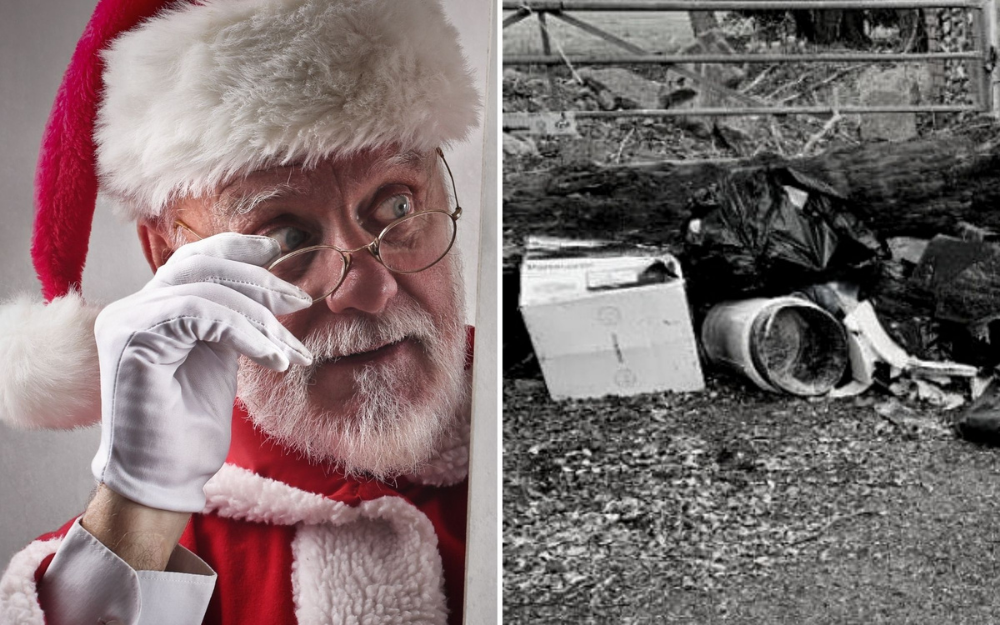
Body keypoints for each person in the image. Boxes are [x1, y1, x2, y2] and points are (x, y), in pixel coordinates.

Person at [0, 0, 483, 623]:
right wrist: (138, 511)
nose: (368, 288)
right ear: (170, 255)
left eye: (396, 207)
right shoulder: (73, 594)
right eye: (284, 238)